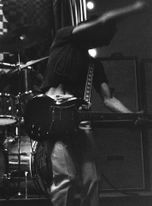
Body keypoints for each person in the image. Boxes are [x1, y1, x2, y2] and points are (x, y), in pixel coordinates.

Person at [36, 1, 146, 206]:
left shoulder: (93, 65)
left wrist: (132, 116)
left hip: (80, 121)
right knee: (65, 178)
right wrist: (134, 8)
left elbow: (109, 99)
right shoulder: (65, 36)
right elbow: (104, 20)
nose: (104, 43)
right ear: (94, 30)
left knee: (92, 179)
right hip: (55, 119)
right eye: (104, 37)